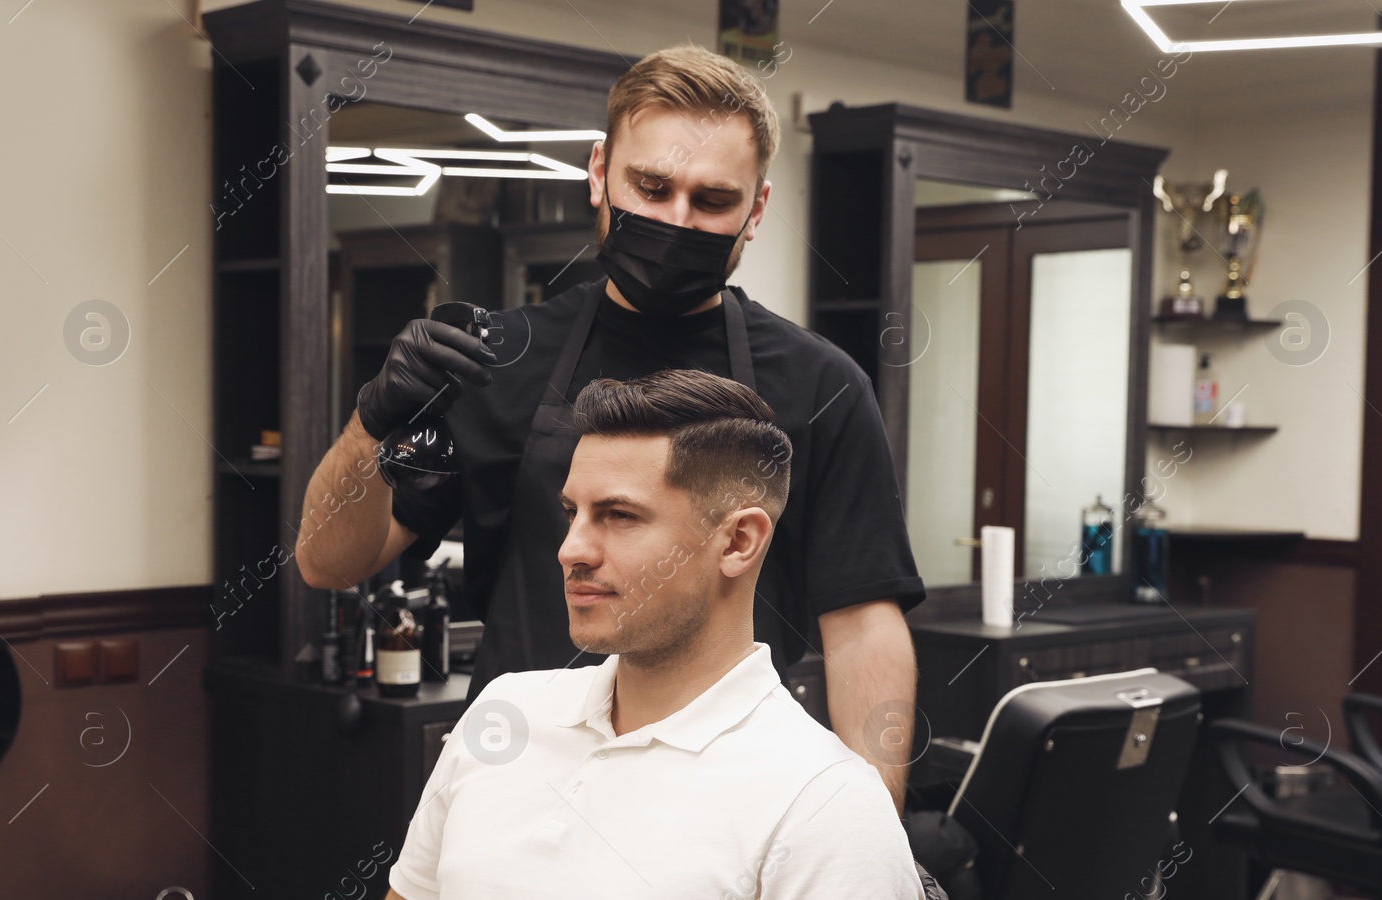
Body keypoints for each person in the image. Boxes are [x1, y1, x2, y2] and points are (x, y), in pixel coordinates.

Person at [192, 369, 927, 900]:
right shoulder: (508, 711)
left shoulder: (825, 808)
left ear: (738, 541)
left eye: (619, 516)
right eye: (572, 512)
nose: (572, 548)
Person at [295, 45, 926, 808]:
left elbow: (862, 625)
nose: (676, 220)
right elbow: (329, 562)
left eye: (712, 201)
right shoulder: (501, 359)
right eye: (651, 186)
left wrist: (876, 833)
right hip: (517, 780)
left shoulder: (822, 385)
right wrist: (370, 422)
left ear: (755, 211)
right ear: (599, 172)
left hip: (722, 802)